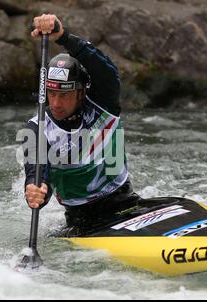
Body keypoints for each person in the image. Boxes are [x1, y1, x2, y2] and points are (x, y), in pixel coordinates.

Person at [23, 14, 142, 236]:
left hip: (125, 202)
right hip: (81, 220)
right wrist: (36, 189)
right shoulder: (37, 128)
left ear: (80, 92)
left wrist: (64, 37)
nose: (56, 103)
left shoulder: (103, 103)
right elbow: (38, 170)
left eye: (64, 94)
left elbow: (106, 71)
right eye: (52, 94)